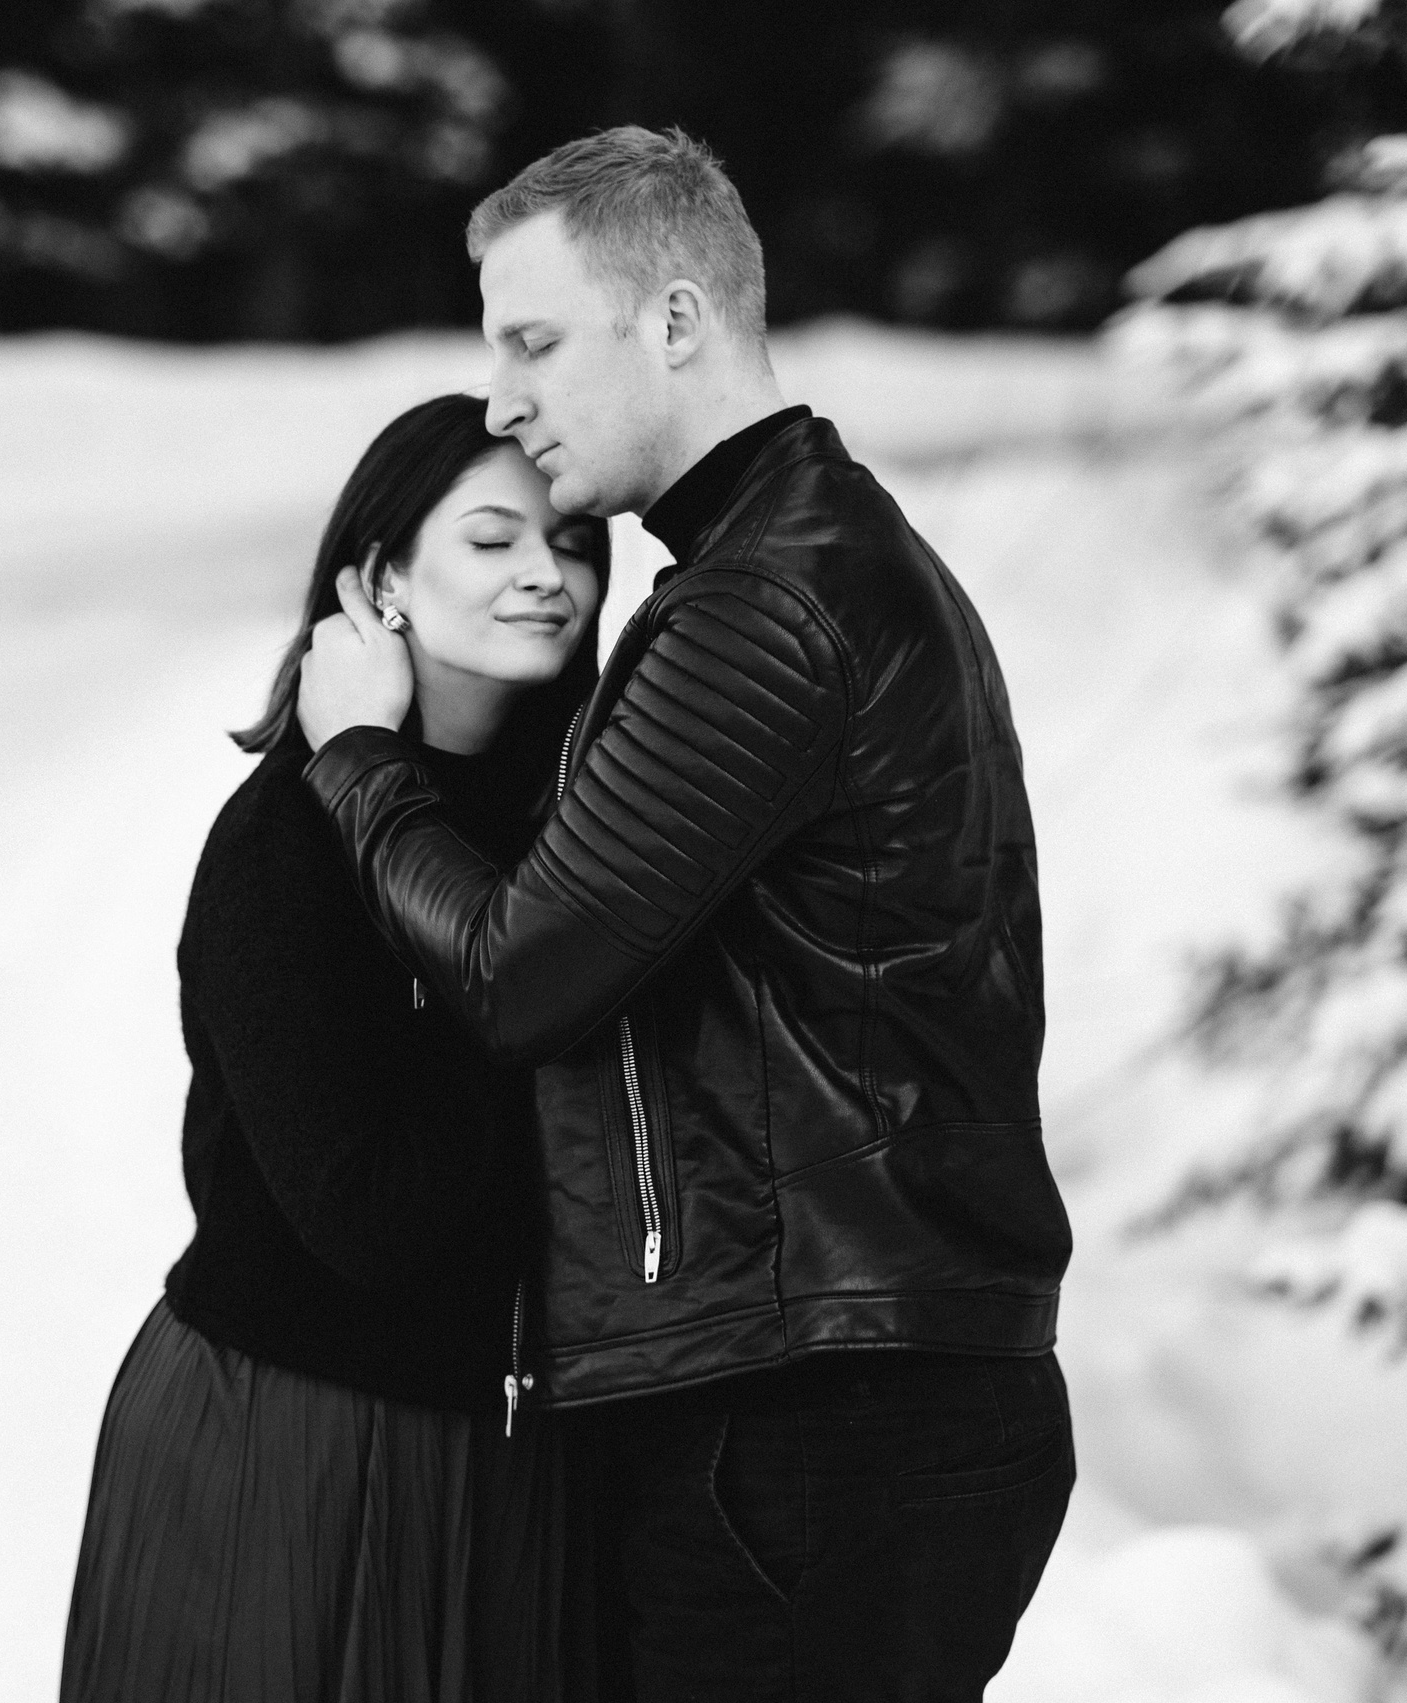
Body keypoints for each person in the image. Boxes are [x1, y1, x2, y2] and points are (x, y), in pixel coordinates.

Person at [295, 127, 1077, 1701]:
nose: (504, 395)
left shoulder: (768, 602)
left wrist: (364, 763)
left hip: (814, 1414)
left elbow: (523, 975)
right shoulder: (807, 562)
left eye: (534, 340)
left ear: (674, 321)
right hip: (845, 1397)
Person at [60, 393, 610, 1703]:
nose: (548, 573)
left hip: (524, 1458)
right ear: (379, 583)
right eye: (491, 540)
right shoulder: (286, 849)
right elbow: (373, 1215)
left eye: (577, 542)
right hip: (302, 1445)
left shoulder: (587, 831)